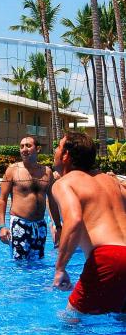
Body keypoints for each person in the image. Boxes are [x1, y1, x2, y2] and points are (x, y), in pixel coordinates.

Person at [52, 132, 126, 314]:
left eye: (58, 146)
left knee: (69, 319)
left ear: (66, 155)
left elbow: (74, 220)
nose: (55, 150)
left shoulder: (65, 183)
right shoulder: (111, 181)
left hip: (108, 257)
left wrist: (60, 268)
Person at [0, 136, 62, 260]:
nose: (24, 149)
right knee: (20, 263)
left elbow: (52, 201)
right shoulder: (12, 170)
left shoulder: (47, 172)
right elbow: (2, 199)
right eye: (21, 146)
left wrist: (58, 226)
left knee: (38, 261)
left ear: (38, 149)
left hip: (40, 225)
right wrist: (2, 226)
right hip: (20, 223)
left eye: (28, 146)